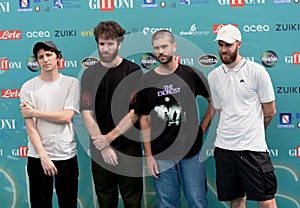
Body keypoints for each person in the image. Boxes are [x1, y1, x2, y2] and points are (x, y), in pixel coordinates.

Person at [134, 30, 213, 208]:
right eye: (156, 48)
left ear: (174, 46)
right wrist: (149, 155)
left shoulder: (192, 74)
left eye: (164, 46)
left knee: (197, 202)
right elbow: (144, 119)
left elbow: (213, 102)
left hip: (191, 153)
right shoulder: (147, 80)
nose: (160, 51)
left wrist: (202, 128)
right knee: (167, 204)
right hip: (161, 154)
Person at [208, 24, 278, 208]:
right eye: (220, 44)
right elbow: (222, 111)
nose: (223, 49)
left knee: (267, 202)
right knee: (236, 201)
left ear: (239, 44)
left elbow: (270, 111)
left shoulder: (257, 71)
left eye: (228, 45)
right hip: (224, 149)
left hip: (252, 149)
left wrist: (256, 132)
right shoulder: (214, 76)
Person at [80, 21, 143, 208]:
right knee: (105, 200)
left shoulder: (134, 71)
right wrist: (104, 146)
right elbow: (86, 113)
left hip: (128, 147)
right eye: (101, 44)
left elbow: (135, 113)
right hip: (100, 148)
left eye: (110, 43)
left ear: (120, 43)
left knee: (133, 201)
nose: (105, 48)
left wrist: (110, 138)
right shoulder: (89, 74)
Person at [20, 41, 80, 208]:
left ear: (58, 57)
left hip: (66, 154)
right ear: (37, 61)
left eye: (49, 54)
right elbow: (31, 128)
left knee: (68, 204)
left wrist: (35, 112)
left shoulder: (71, 83)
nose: (45, 59)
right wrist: (44, 157)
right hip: (38, 157)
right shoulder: (28, 87)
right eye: (41, 57)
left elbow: (66, 116)